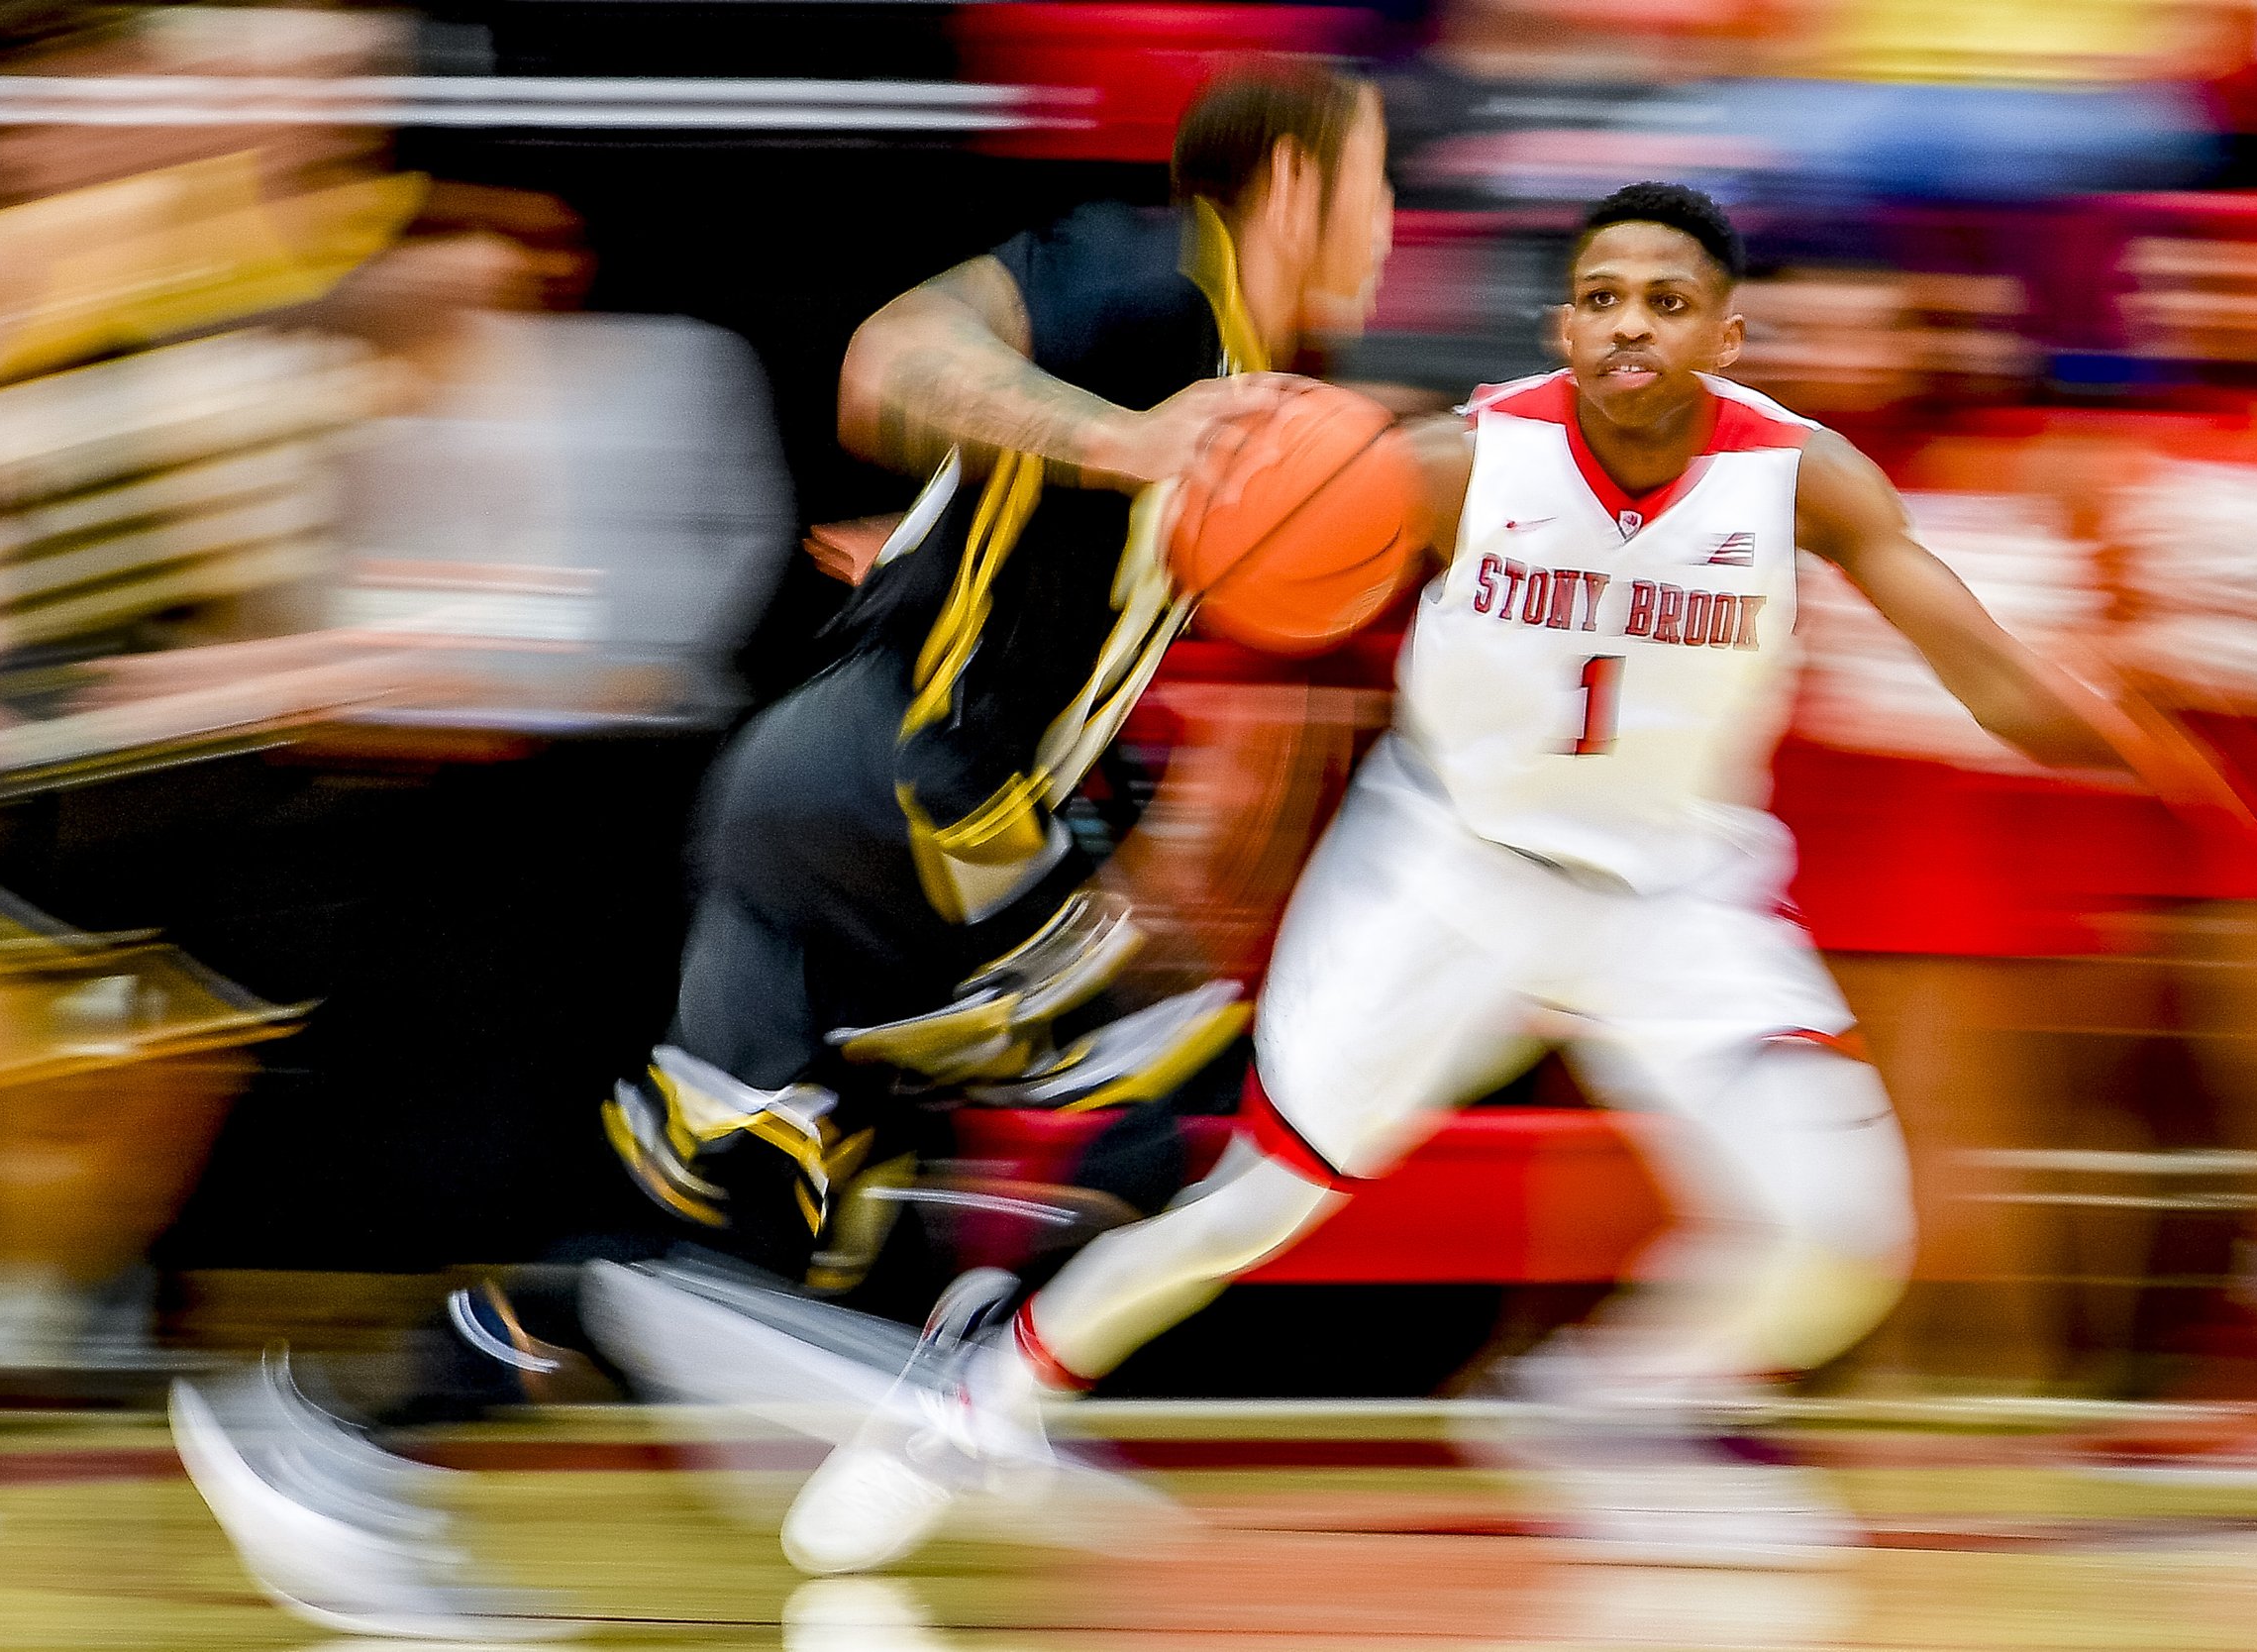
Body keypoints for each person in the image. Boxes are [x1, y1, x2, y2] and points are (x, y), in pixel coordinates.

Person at [767, 180, 2177, 1574]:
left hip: (1678, 898)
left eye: (1670, 303)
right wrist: (934, 574)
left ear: (1728, 339)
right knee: (1253, 1207)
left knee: (1843, 1242)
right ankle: (974, 1391)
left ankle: (1605, 1406)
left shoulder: (1804, 476)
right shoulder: (1450, 460)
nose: (1634, 328)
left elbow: (1977, 660)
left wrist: (2136, 746)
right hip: (1447, 869)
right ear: (1565, 326)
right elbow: (1174, 547)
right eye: (1606, 301)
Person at [167, 63, 1398, 1640]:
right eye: (1371, 181)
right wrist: (1120, 448)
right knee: (1180, 1069)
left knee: (702, 1228)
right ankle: (961, 1381)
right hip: (895, 806)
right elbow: (896, 358)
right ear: (1289, 184)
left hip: (851, 801)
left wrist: (990, 528)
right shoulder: (1153, 279)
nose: (1387, 220)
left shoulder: (1239, 367)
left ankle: (339, 1451)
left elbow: (1003, 514)